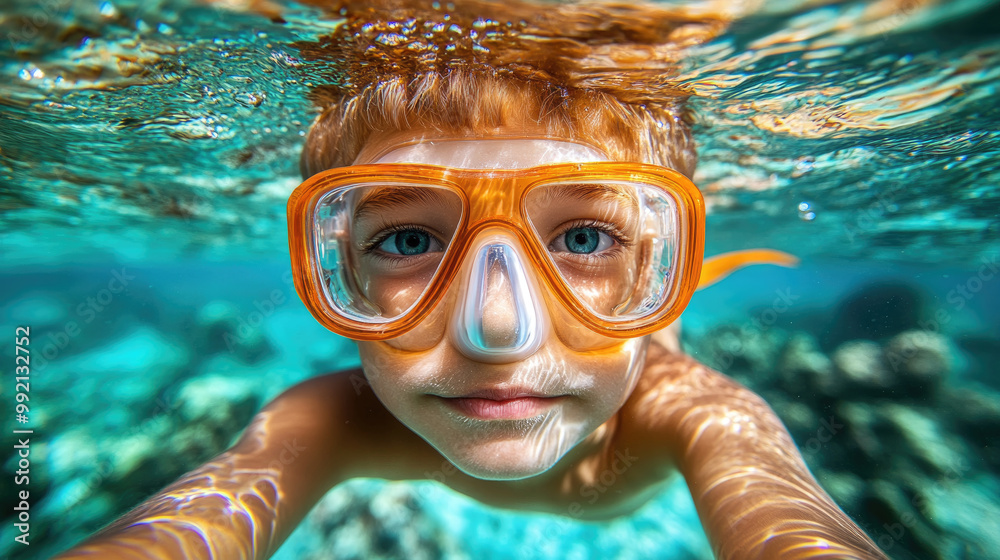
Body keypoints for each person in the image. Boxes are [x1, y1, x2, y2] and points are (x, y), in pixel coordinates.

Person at [57, 1, 887, 558]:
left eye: (585, 237)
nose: (498, 330)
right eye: (409, 239)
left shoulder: (690, 411)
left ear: (657, 265)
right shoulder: (333, 423)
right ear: (341, 269)